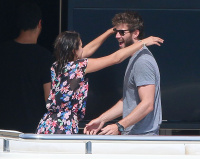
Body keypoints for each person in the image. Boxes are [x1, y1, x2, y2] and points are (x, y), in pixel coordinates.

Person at [35, 28, 163, 134]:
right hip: (63, 126)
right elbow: (115, 58)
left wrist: (109, 32)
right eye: (80, 46)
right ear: (74, 51)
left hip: (47, 123)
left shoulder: (57, 66)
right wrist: (143, 42)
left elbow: (88, 50)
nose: (83, 49)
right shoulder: (79, 66)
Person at [84, 11, 163, 135]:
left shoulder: (142, 61)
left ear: (135, 33)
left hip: (142, 139)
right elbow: (127, 101)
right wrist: (101, 119)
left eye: (122, 32)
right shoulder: (135, 58)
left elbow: (147, 104)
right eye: (116, 32)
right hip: (135, 137)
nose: (117, 36)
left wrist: (119, 126)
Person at [0, 2, 52, 133]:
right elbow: (49, 98)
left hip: (3, 126)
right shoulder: (45, 57)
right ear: (39, 23)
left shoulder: (3, 51)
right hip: (32, 129)